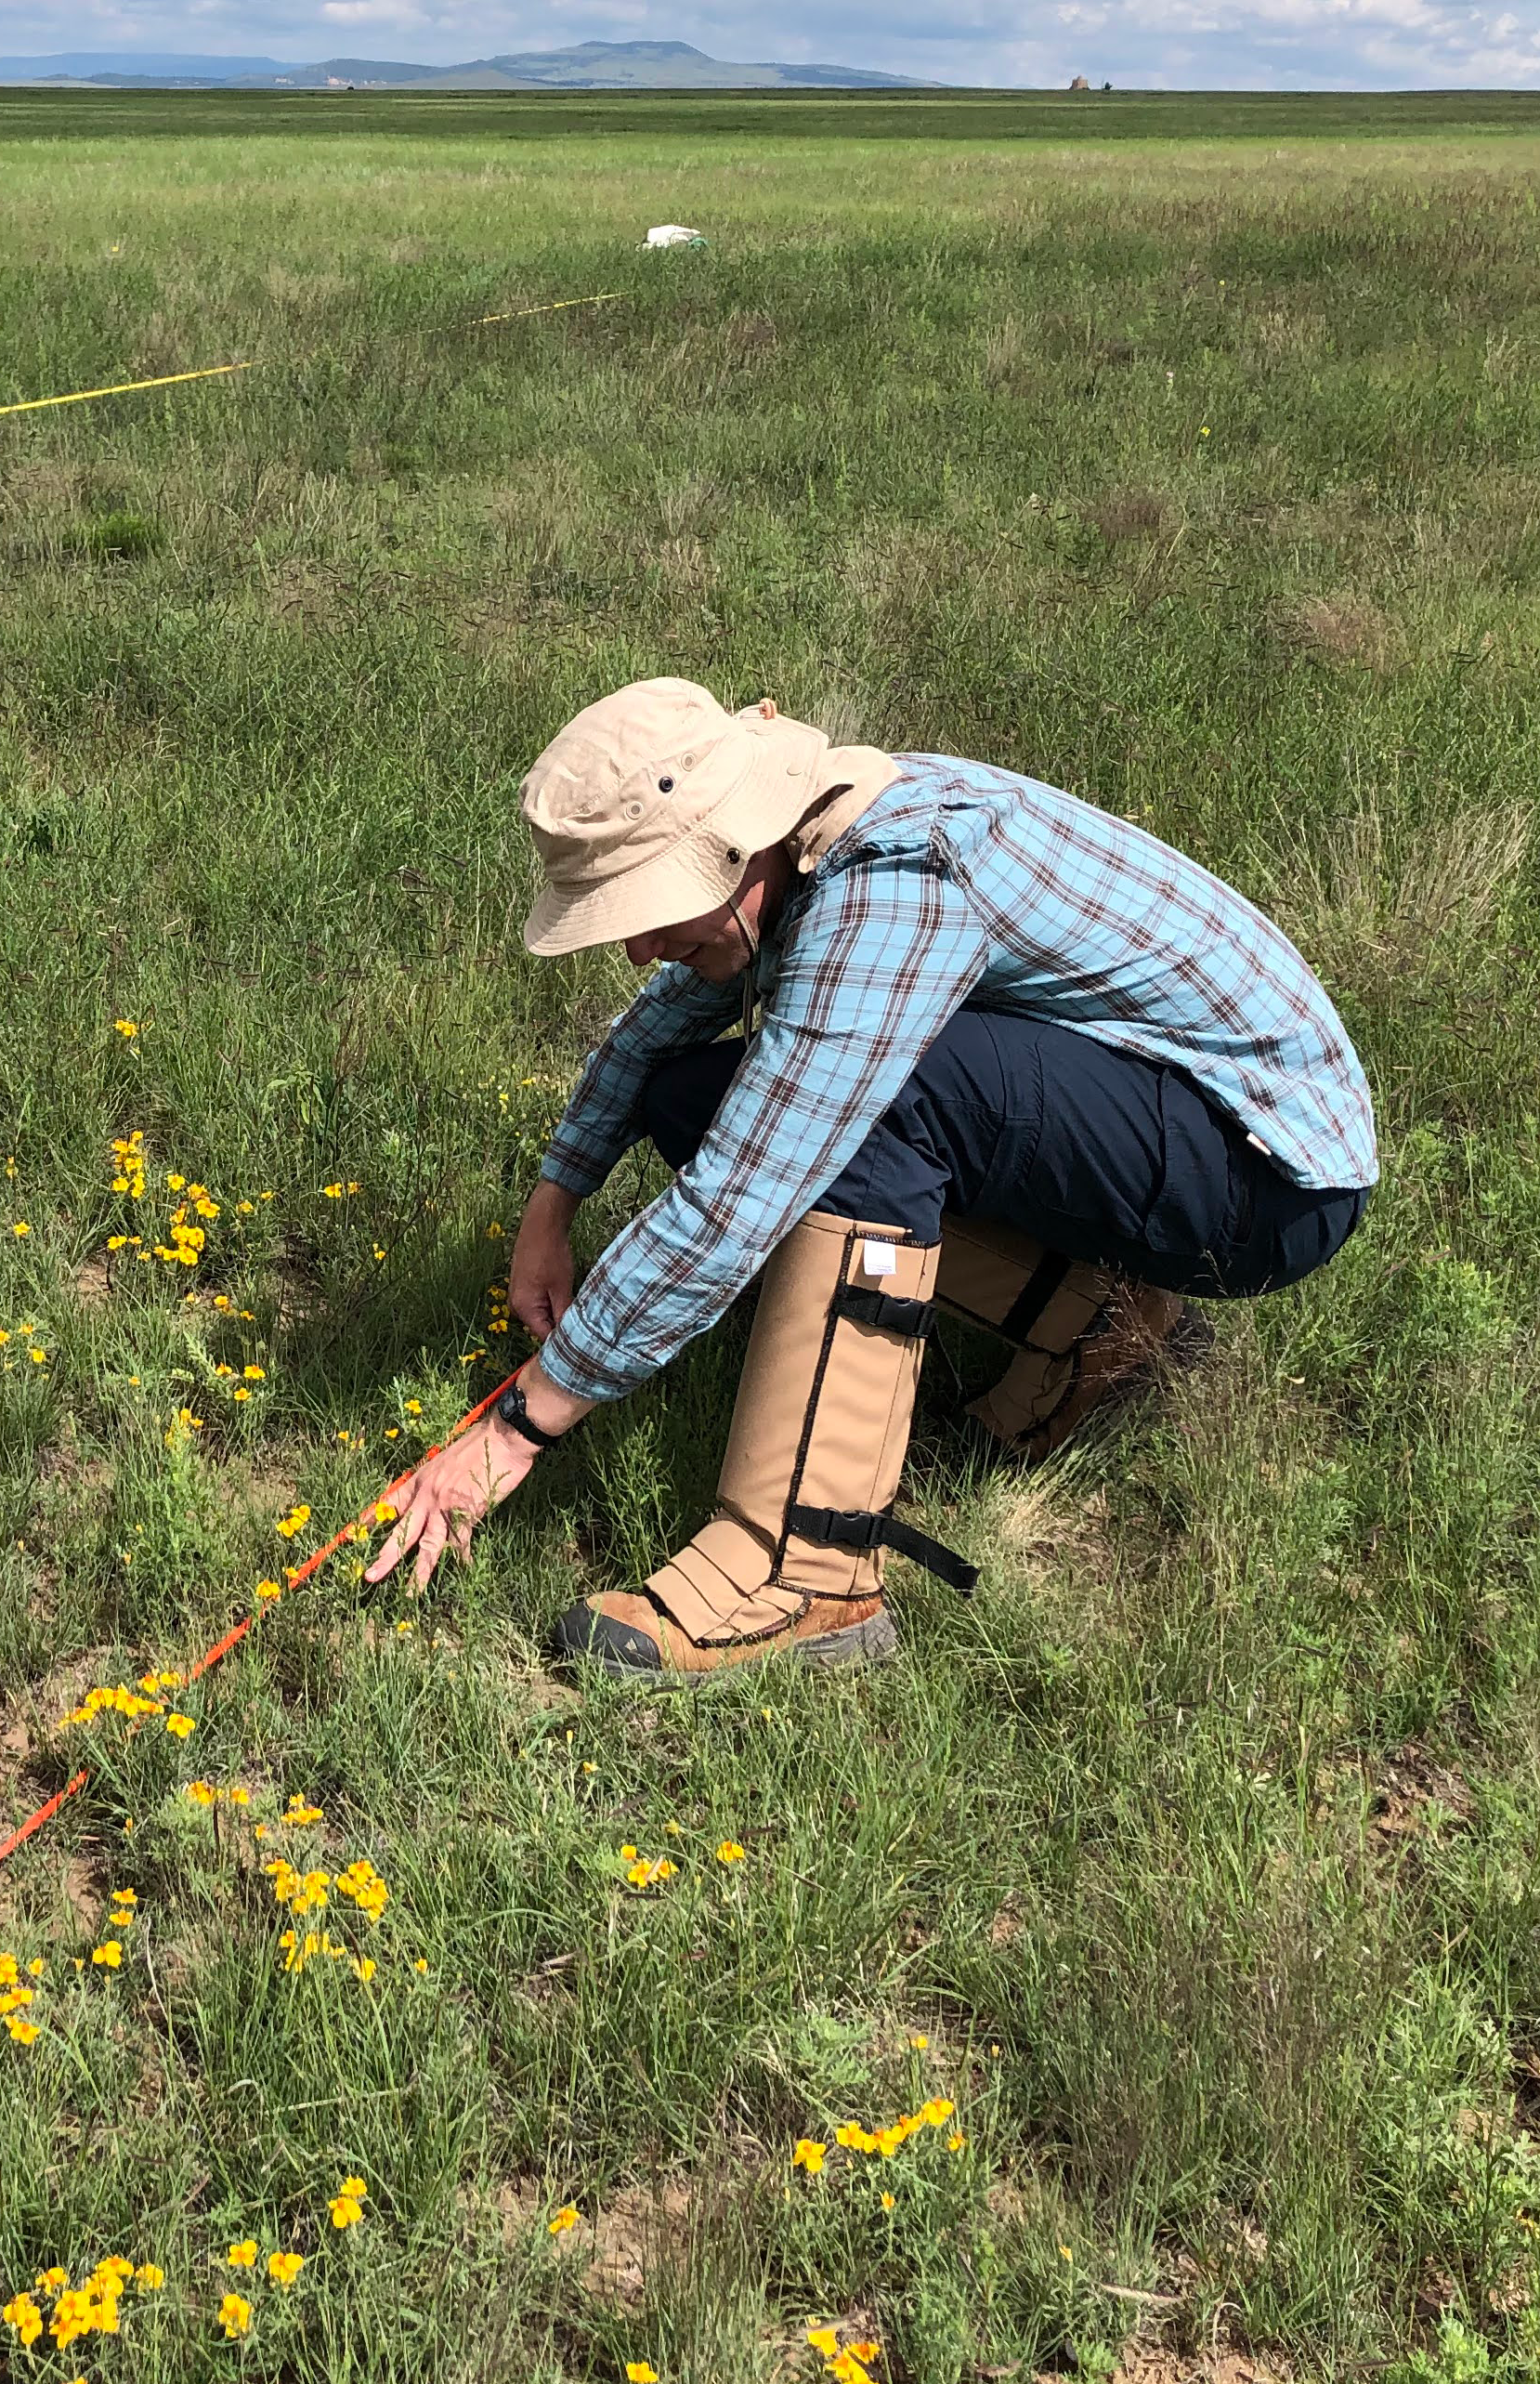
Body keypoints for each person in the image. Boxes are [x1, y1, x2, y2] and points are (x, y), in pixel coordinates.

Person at [363, 679, 1376, 1679]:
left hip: (1263, 1180)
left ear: (734, 842)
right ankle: (1094, 1321)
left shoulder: (897, 885)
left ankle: (804, 1573)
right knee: (692, 1094)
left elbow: (735, 1202)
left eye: (656, 908)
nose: (637, 949)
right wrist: (554, 1207)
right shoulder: (810, 841)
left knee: (872, 1098)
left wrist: (520, 1427)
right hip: (1173, 1119)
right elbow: (659, 1030)